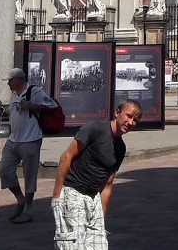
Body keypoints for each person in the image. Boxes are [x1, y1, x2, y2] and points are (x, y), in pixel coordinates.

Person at [51, 99, 143, 250]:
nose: (131, 122)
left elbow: (107, 184)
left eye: (135, 120)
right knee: (73, 245)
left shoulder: (120, 148)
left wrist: (100, 216)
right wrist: (56, 196)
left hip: (93, 198)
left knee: (98, 246)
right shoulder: (95, 128)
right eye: (128, 116)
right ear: (117, 112)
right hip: (74, 192)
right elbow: (66, 157)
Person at [2, 67, 57, 224]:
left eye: (10, 80)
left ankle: (28, 209)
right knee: (5, 171)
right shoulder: (13, 94)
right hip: (13, 139)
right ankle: (20, 200)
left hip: (31, 140)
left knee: (29, 175)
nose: (8, 84)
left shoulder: (35, 91)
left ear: (19, 80)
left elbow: (52, 106)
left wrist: (34, 106)